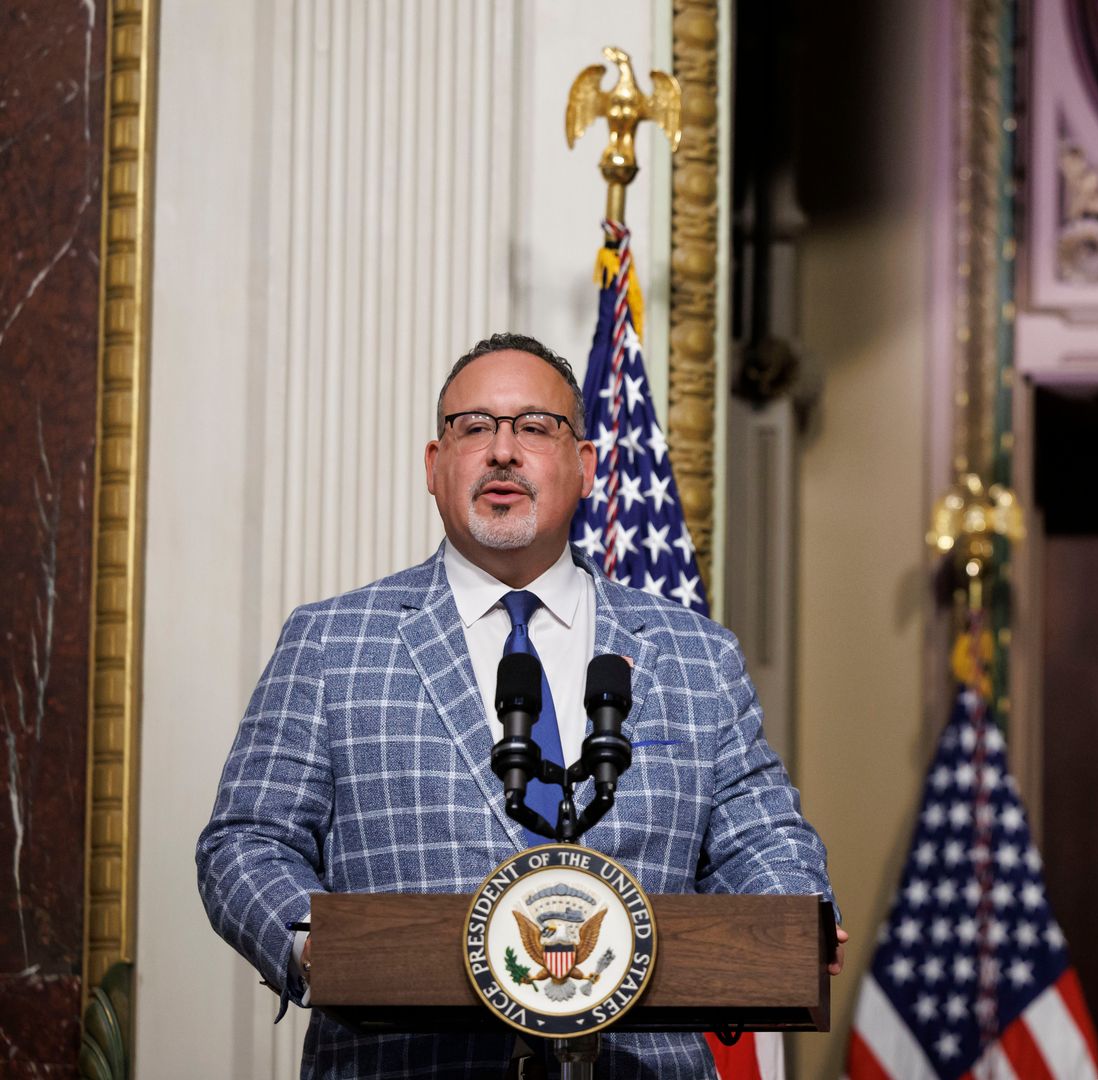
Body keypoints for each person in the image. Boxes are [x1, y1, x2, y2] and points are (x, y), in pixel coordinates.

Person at [197, 333, 845, 1078]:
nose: (503, 450)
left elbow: (760, 838)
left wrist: (796, 914)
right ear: (435, 468)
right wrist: (315, 942)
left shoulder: (694, 654)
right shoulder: (331, 643)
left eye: (536, 427)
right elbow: (244, 840)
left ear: (587, 467)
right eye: (475, 427)